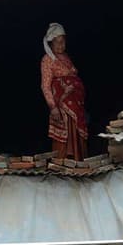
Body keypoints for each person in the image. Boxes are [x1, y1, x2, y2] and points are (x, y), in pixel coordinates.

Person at [41, 23, 88, 160]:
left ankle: (78, 162)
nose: (61, 45)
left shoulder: (66, 58)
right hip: (62, 105)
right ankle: (64, 162)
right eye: (58, 42)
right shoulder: (47, 60)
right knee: (66, 133)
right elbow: (45, 85)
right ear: (51, 43)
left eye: (63, 41)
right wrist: (53, 107)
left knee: (77, 134)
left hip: (76, 103)